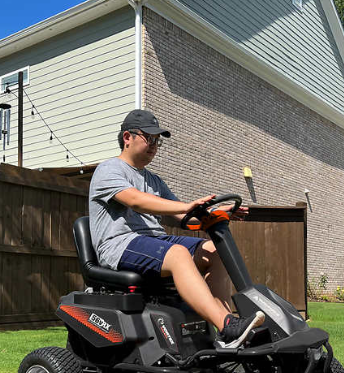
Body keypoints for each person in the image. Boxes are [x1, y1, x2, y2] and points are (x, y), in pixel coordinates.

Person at [88, 109, 264, 348]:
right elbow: (135, 200)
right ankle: (227, 325)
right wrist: (185, 205)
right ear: (127, 137)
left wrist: (219, 213)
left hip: (154, 242)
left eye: (157, 141)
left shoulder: (155, 180)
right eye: (149, 138)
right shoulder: (109, 169)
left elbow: (184, 216)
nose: (154, 145)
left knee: (215, 249)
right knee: (178, 255)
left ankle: (225, 327)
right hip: (120, 244)